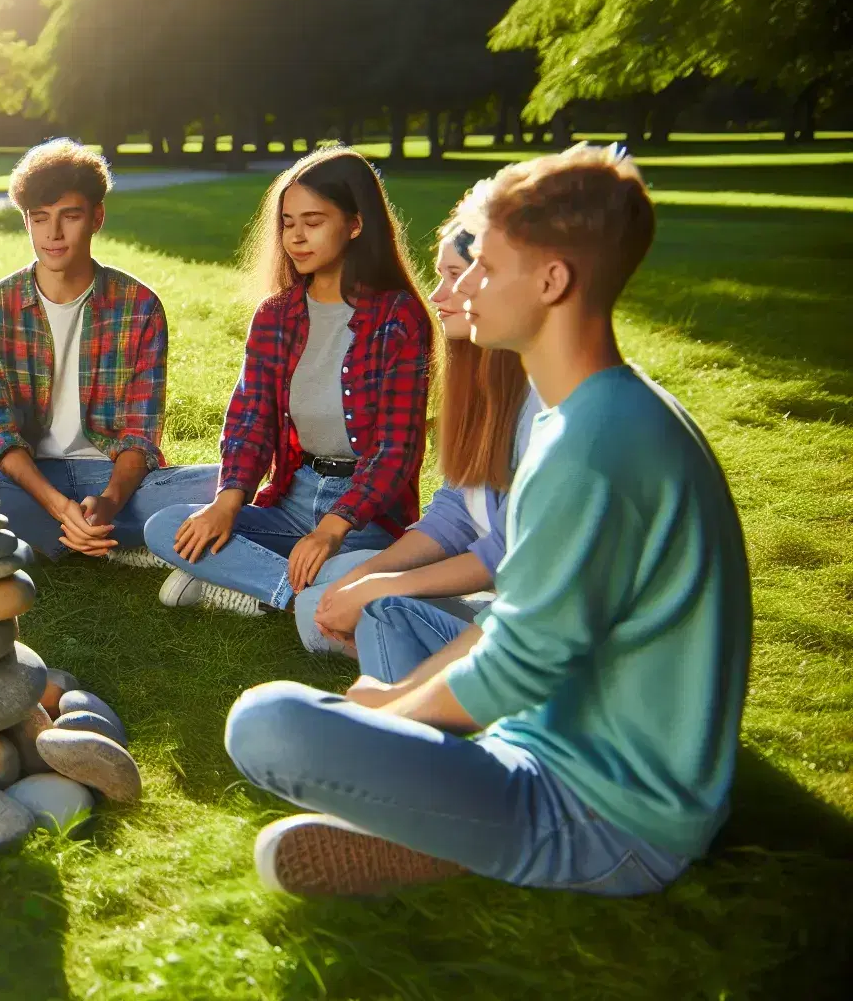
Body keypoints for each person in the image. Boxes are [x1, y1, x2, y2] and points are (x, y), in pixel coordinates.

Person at [223, 145, 752, 899]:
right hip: (546, 742)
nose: (464, 286)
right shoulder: (598, 414)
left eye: (485, 269)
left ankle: (472, 839)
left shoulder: (591, 446)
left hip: (611, 814)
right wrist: (385, 694)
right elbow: (515, 625)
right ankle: (444, 826)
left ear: (552, 281)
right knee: (352, 686)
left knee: (266, 722)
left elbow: (517, 665)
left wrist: (392, 715)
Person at [145, 146, 432, 615]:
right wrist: (226, 502)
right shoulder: (276, 316)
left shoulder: (397, 318)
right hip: (292, 500)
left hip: (364, 517)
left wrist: (333, 528)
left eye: (313, 222)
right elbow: (251, 420)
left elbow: (397, 450)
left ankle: (247, 582)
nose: (295, 237)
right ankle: (295, 596)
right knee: (168, 527)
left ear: (355, 225)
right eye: (287, 222)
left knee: (352, 563)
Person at [293, 187, 544, 676]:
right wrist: (368, 574)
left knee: (371, 608)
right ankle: (399, 641)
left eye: (458, 276)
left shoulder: (543, 407)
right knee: (330, 591)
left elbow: (506, 553)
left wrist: (379, 588)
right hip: (496, 594)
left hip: (526, 614)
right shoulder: (477, 386)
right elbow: (454, 514)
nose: (437, 295)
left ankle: (405, 655)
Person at [0, 138, 218, 564]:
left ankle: (68, 537)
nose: (54, 234)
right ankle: (127, 541)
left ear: (97, 217)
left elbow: (139, 436)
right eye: (40, 218)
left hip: (114, 477)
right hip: (32, 479)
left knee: (224, 488)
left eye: (70, 216)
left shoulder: (140, 308)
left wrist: (109, 501)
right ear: (26, 222)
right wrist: (57, 504)